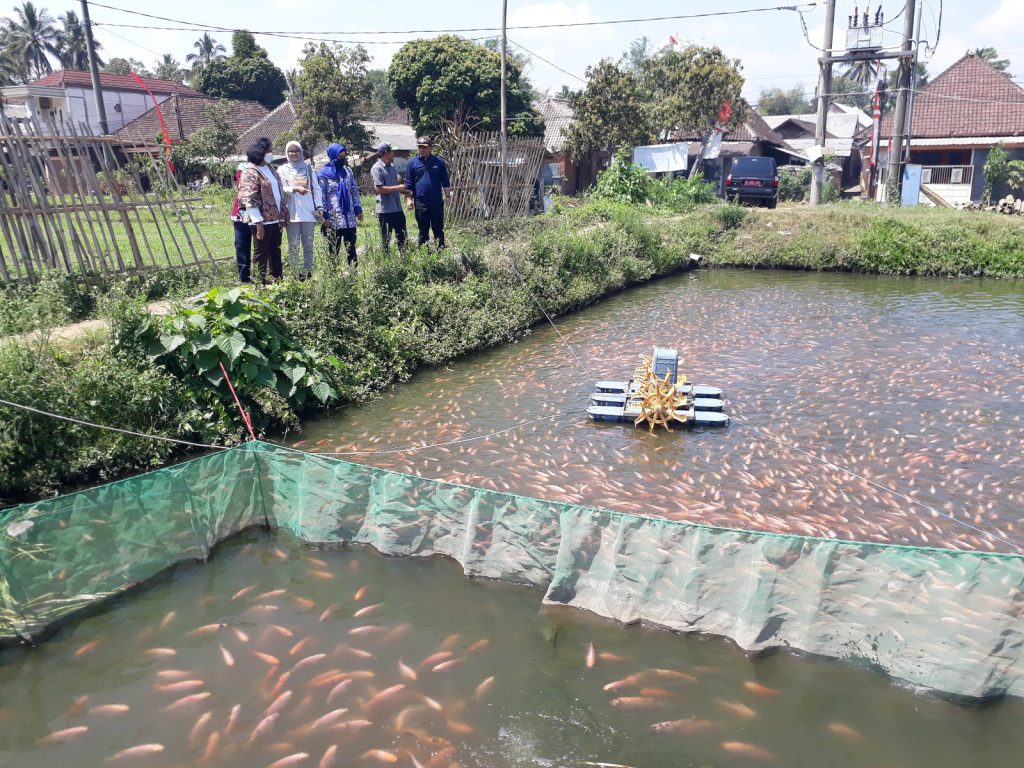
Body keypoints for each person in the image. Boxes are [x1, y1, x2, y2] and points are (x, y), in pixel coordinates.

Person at [238, 137, 287, 283]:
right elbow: (249, 198)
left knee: (275, 249)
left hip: (275, 218)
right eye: (269, 151)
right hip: (261, 220)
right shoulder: (250, 171)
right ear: (260, 152)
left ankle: (277, 279)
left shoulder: (270, 168)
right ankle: (260, 282)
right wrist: (258, 222)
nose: (271, 153)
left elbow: (278, 191)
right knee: (261, 252)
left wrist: (284, 210)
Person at [278, 140, 323, 280]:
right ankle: (295, 274)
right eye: (291, 151)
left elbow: (316, 189)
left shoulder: (309, 168)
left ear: (301, 152)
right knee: (293, 245)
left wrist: (319, 207)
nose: (294, 154)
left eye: (296, 151)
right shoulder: (282, 170)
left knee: (308, 244)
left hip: (308, 212)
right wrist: (294, 189)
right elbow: (280, 189)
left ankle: (308, 272)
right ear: (287, 153)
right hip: (291, 212)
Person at [318, 142, 362, 268]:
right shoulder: (323, 174)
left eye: (344, 156)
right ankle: (334, 273)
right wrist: (325, 216)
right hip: (333, 218)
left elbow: (354, 190)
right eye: (340, 157)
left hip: (349, 217)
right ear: (332, 156)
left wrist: (358, 208)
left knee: (351, 247)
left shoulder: (347, 171)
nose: (342, 159)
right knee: (334, 248)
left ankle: (353, 271)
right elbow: (322, 196)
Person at [405, 136, 451, 249]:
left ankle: (440, 253)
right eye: (419, 147)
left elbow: (445, 181)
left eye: (424, 147)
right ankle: (424, 254)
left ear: (430, 148)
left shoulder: (439, 162)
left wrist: (448, 196)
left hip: (436, 202)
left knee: (438, 230)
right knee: (423, 230)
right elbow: (409, 184)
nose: (421, 149)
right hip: (421, 203)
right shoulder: (412, 163)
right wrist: (409, 199)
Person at [371, 142, 407, 252]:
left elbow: (394, 186)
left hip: (397, 208)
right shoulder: (377, 168)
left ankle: (404, 259)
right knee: (386, 240)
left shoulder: (391, 167)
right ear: (386, 152)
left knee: (403, 238)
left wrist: (403, 190)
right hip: (385, 211)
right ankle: (387, 261)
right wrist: (398, 188)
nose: (394, 154)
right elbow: (379, 189)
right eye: (392, 151)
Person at [230, 159, 252, 282]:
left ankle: (263, 277)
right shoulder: (243, 167)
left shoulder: (268, 168)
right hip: (242, 212)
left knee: (262, 247)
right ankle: (244, 278)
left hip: (263, 213)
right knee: (241, 244)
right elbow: (242, 186)